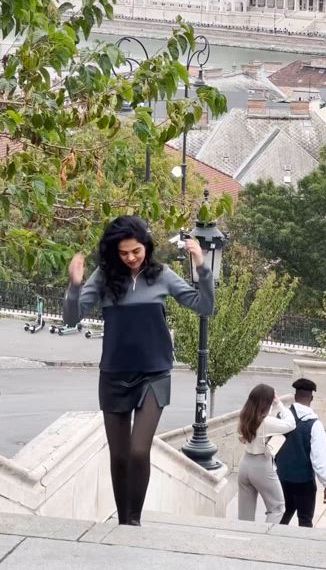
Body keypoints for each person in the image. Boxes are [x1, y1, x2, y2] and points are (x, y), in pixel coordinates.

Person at [63, 215, 213, 527]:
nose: (131, 258)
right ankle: (122, 522)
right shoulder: (104, 278)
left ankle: (133, 521)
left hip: (154, 374)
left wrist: (202, 266)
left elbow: (204, 306)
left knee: (137, 451)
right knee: (118, 456)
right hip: (114, 375)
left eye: (136, 251)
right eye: (124, 253)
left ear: (146, 246)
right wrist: (75, 285)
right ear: (114, 252)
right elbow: (71, 318)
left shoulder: (162, 276)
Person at [275, 377, 326, 528]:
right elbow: (320, 458)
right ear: (311, 398)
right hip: (303, 481)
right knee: (305, 520)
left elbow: (272, 446)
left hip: (281, 477)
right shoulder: (314, 425)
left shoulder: (281, 417)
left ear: (295, 396)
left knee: (283, 515)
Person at [237, 383, 295, 524]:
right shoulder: (266, 421)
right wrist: (279, 404)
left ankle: (244, 540)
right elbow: (291, 424)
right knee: (277, 508)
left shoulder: (245, 416)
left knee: (245, 515)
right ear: (267, 402)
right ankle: (265, 539)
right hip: (261, 465)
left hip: (245, 464)